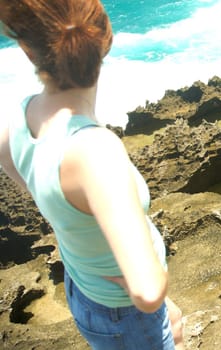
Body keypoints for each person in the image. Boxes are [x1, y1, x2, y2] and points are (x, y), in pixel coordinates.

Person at [0, 1, 184, 349]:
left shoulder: (19, 116)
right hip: (122, 311)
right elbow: (147, 291)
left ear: (27, 51)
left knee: (172, 323)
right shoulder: (95, 151)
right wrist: (146, 279)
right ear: (106, 40)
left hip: (82, 283)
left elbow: (20, 171)